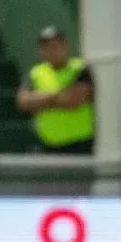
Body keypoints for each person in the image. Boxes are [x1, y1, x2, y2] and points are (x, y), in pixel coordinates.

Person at [15, 26, 95, 154]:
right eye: (45, 47)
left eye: (55, 46)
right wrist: (58, 95)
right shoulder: (35, 73)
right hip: (47, 146)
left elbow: (73, 101)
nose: (51, 51)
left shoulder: (80, 68)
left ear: (65, 46)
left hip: (80, 145)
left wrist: (41, 101)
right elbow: (23, 102)